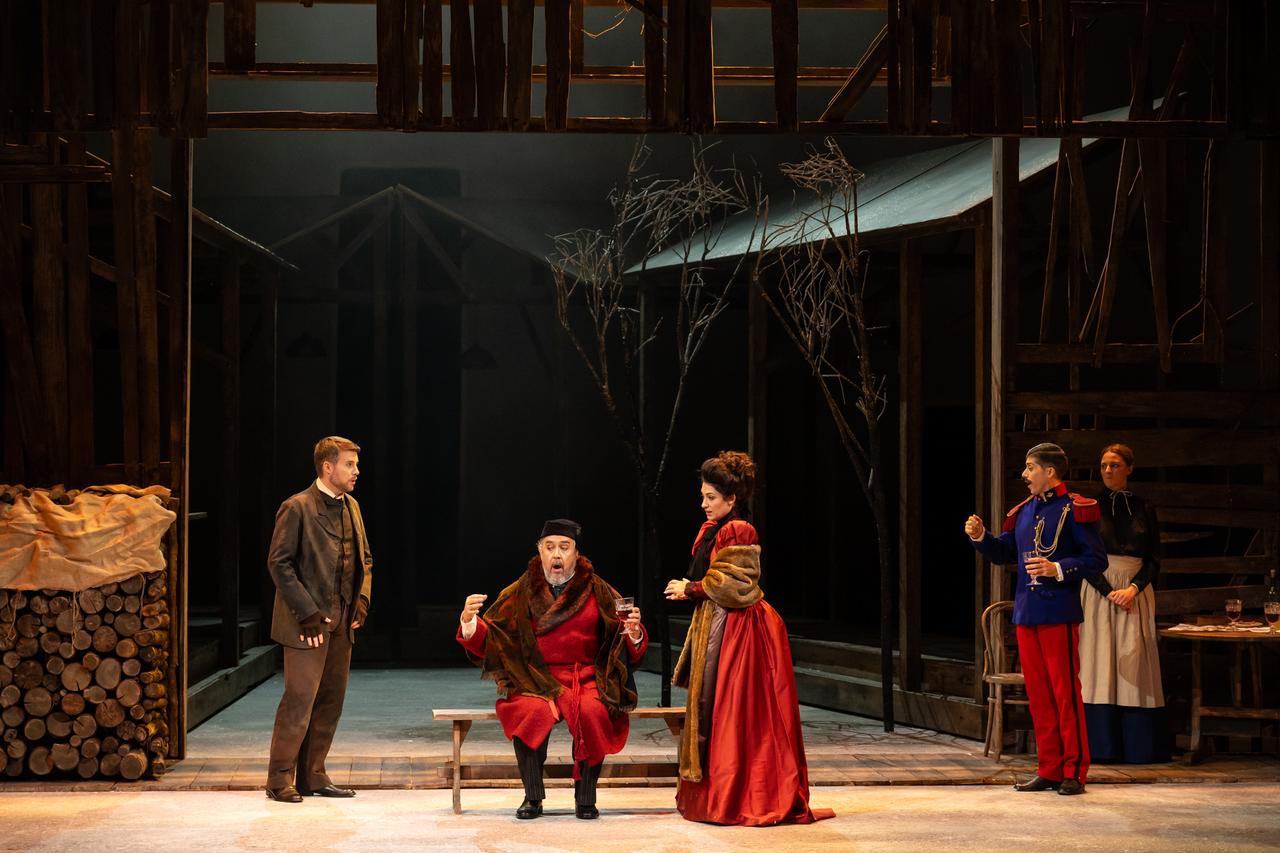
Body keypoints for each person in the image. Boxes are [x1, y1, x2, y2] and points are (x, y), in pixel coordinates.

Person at [664, 451, 832, 826]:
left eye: (710, 497)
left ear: (731, 498)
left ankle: (740, 795)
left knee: (735, 712)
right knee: (718, 709)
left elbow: (737, 584)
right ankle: (714, 795)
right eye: (703, 495)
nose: (703, 503)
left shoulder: (738, 529)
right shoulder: (716, 529)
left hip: (739, 630)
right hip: (719, 622)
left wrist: (690, 588)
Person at [457, 519, 647, 820]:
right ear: (539, 553)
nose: (556, 555)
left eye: (564, 547)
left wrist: (634, 632)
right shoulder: (521, 591)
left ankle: (585, 797)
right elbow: (496, 637)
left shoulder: (598, 589)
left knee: (593, 711)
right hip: (534, 677)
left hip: (584, 676)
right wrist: (469, 622)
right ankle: (532, 797)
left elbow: (623, 640)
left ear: (576, 553)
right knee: (529, 712)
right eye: (549, 548)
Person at [965, 442, 1106, 796]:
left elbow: (1095, 560)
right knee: (1039, 695)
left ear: (1050, 472)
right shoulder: (1025, 511)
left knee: (1065, 693)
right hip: (1027, 612)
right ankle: (1049, 768)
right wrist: (981, 537)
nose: (1025, 475)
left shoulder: (1075, 509)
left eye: (1030, 468)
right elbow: (1004, 552)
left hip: (1058, 610)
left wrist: (1057, 568)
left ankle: (1074, 769)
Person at [265, 436, 372, 803]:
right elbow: (279, 563)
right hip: (305, 623)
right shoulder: (297, 507)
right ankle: (279, 780)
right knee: (299, 700)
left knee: (330, 701)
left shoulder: (352, 506)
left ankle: (313, 775)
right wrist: (306, 612)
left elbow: (365, 558)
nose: (356, 471)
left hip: (341, 621)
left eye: (356, 465)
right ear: (328, 467)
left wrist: (361, 599)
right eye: (349, 464)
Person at [1080, 443, 1169, 763]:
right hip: (1099, 589)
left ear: (1129, 468)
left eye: (1115, 465)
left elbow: (1154, 559)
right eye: (1103, 465)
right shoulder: (1088, 507)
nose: (1107, 470)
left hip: (1135, 591)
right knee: (1099, 660)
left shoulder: (1145, 507)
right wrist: (1107, 591)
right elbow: (1083, 557)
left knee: (1134, 661)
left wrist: (1132, 589)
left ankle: (1138, 746)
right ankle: (1100, 746)